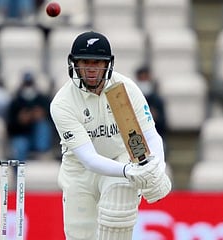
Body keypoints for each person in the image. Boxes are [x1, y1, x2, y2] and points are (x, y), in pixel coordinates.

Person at [50, 31, 172, 240]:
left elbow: (151, 136)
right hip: (79, 171)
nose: (90, 69)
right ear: (74, 64)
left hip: (120, 156)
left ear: (108, 64)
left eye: (97, 63)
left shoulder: (125, 89)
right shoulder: (63, 103)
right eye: (84, 62)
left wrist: (155, 169)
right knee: (80, 235)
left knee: (119, 202)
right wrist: (129, 171)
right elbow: (88, 159)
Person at [6, 71, 53, 161]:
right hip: (21, 135)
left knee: (42, 125)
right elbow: (9, 126)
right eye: (26, 85)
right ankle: (19, 172)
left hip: (38, 136)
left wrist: (41, 116)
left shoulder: (43, 100)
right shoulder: (16, 101)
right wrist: (20, 121)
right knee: (20, 145)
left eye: (30, 84)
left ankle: (42, 152)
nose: (28, 88)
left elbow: (54, 121)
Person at [135, 66, 168, 140]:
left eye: (145, 78)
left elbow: (164, 124)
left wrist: (156, 117)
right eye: (141, 79)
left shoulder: (157, 100)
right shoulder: (133, 99)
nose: (144, 81)